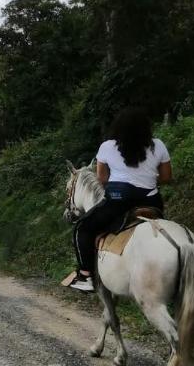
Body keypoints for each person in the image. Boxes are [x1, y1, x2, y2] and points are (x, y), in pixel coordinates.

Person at [71, 107, 172, 293]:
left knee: (82, 228)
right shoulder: (158, 145)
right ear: (146, 128)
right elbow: (166, 177)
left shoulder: (107, 147)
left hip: (118, 202)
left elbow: (101, 179)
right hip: (151, 201)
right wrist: (146, 179)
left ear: (118, 128)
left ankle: (85, 276)